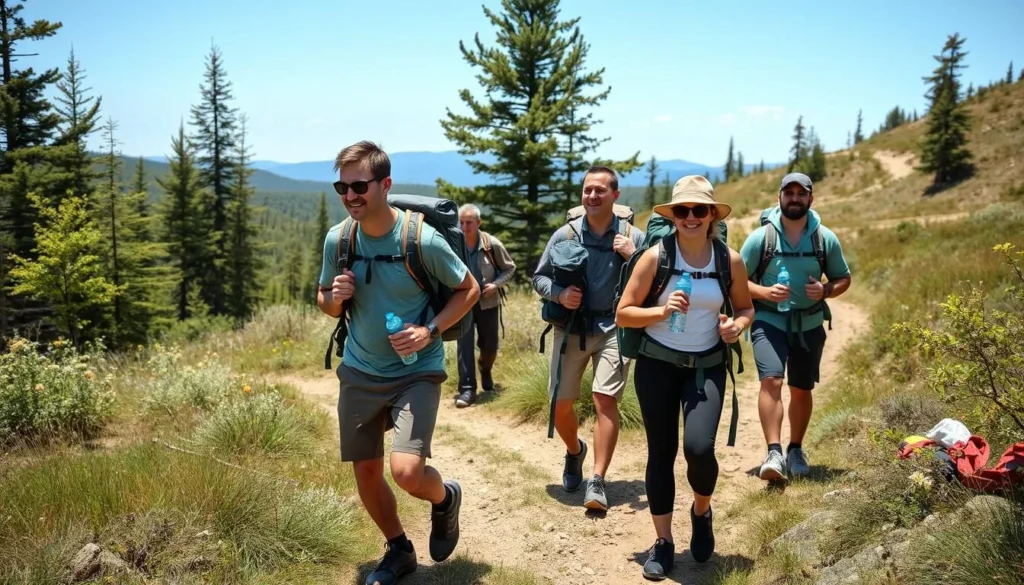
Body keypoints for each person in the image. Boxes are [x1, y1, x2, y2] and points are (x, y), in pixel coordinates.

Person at [317, 141, 480, 585]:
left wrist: (429, 330)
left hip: (417, 371)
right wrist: (335, 297)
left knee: (406, 471)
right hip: (360, 368)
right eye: (342, 186)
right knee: (366, 470)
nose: (350, 195)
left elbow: (470, 290)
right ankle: (398, 549)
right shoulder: (340, 239)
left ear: (384, 184)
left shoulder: (419, 239)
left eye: (359, 186)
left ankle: (445, 498)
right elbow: (326, 302)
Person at [615, 175, 754, 580]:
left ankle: (701, 510)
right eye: (682, 210)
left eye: (699, 210)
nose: (690, 217)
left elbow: (745, 308)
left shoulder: (730, 260)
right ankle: (663, 542)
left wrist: (737, 327)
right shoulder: (654, 258)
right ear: (673, 216)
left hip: (707, 367)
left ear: (712, 215)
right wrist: (660, 312)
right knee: (661, 453)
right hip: (657, 366)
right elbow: (624, 313)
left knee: (698, 449)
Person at [532, 165, 645, 511]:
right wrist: (560, 294)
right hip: (571, 330)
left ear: (615, 195)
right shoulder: (564, 236)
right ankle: (574, 451)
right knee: (560, 404)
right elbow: (539, 278)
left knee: (604, 399)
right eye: (587, 190)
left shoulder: (634, 238)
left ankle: (597, 479)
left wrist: (634, 257)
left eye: (600, 190)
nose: (592, 196)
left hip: (615, 328)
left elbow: (655, 281)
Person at [739, 172, 851, 481]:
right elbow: (735, 280)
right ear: (779, 197)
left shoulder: (824, 238)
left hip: (809, 323)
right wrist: (764, 293)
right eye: (788, 193)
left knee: (801, 388)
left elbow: (844, 278)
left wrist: (826, 290)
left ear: (810, 199)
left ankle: (796, 449)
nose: (794, 198)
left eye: (801, 193)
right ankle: (773, 452)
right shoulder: (761, 238)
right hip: (768, 319)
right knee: (771, 381)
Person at [455, 203, 516, 407]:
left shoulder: (492, 244)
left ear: (478, 223)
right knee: (464, 346)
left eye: (469, 222)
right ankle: (467, 390)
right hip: (462, 302)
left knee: (490, 346)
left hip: (488, 302)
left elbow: (509, 268)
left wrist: (495, 285)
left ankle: (485, 368)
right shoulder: (454, 244)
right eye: (461, 222)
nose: (464, 227)